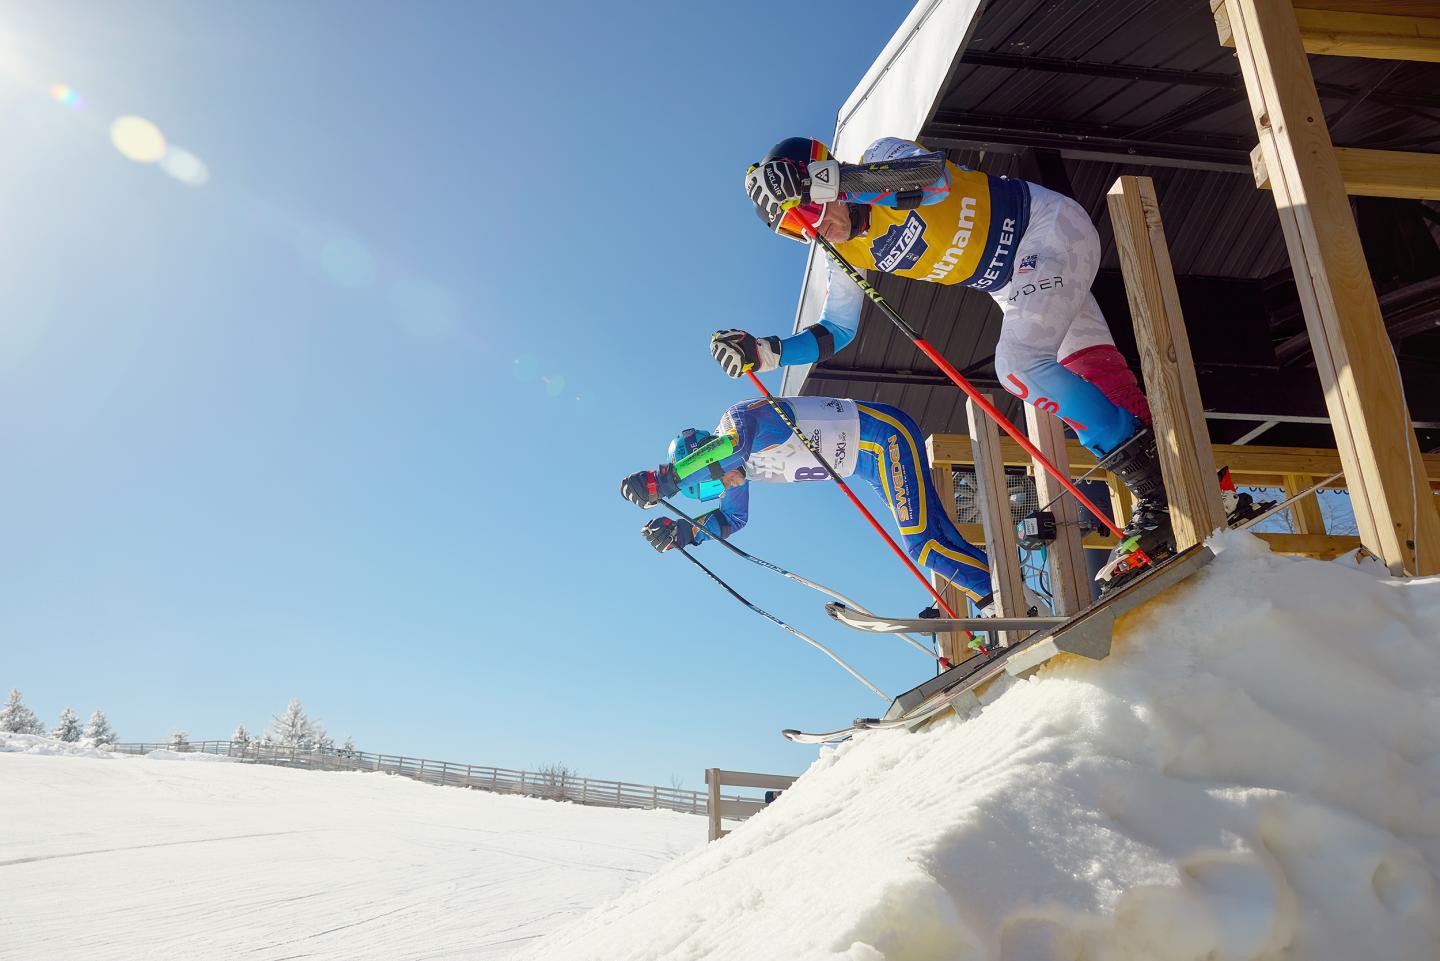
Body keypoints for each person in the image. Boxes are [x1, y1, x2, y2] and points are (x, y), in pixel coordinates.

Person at [716, 136, 1169, 584]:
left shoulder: (877, 160)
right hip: (1014, 282)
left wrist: (829, 182)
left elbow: (932, 178)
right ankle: (1195, 483)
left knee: (1019, 364)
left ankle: (1154, 490)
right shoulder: (844, 252)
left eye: (809, 213)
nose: (817, 231)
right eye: (796, 231)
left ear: (822, 178)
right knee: (1095, 376)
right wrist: (765, 352)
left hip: (1046, 228)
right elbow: (837, 330)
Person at [619, 395, 993, 604]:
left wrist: (666, 479)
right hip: (870, 465)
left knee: (923, 547)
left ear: (707, 453)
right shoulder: (738, 473)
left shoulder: (737, 420)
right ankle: (1005, 587)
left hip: (882, 437)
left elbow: (732, 446)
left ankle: (996, 600)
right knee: (941, 538)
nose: (724, 486)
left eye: (712, 480)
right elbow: (732, 520)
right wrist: (687, 533)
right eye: (710, 491)